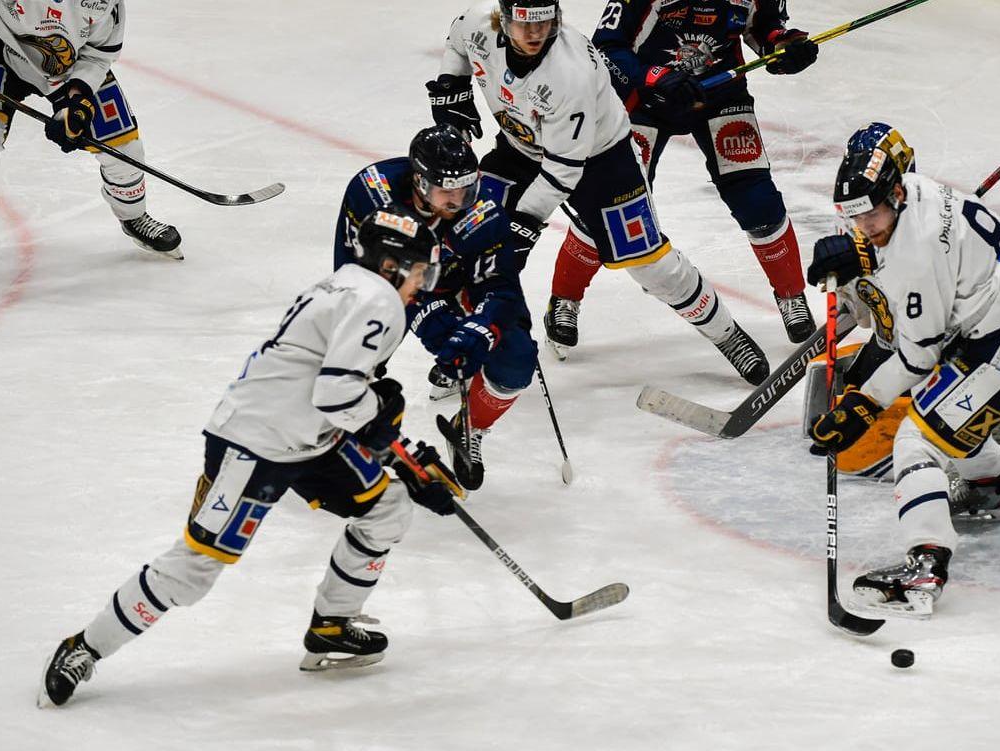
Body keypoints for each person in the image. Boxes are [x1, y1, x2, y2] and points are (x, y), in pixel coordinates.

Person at [38, 208, 460, 708]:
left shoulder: (343, 284)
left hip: (309, 439)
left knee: (386, 507)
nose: (420, 284)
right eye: (418, 272)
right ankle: (84, 647)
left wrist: (406, 459)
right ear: (392, 266)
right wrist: (386, 426)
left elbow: (340, 398)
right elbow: (338, 395)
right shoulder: (378, 300)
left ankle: (331, 626)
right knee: (194, 569)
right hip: (252, 444)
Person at [804, 125, 1000, 619]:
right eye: (853, 217)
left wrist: (862, 404)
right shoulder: (917, 191)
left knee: (916, 438)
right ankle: (985, 489)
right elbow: (900, 248)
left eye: (870, 215)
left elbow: (918, 356)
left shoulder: (915, 252)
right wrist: (865, 253)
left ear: (894, 192)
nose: (863, 225)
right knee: (950, 412)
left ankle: (925, 566)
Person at [428, 0, 770, 384]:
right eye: (524, 23)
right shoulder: (478, 24)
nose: (535, 34)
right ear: (502, 19)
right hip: (519, 149)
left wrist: (521, 226)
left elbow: (563, 170)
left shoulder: (568, 72)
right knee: (469, 241)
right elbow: (458, 39)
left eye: (544, 22)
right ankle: (464, 352)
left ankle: (726, 333)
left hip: (601, 160)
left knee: (650, 263)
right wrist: (451, 86)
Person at [543, 0, 823, 353]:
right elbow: (606, 49)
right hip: (646, 99)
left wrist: (784, 46)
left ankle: (791, 297)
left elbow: (762, 26)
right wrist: (654, 77)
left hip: (720, 95)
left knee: (756, 199)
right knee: (612, 203)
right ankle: (565, 299)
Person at [0, 0, 180, 290]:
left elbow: (98, 55)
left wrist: (77, 103)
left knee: (124, 147)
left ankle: (134, 217)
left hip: (69, 66)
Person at [335, 124, 536, 491]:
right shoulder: (374, 193)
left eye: (465, 187)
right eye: (448, 189)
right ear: (421, 183)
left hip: (455, 277)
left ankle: (469, 426)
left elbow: (499, 284)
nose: (458, 199)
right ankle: (324, 436)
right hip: (388, 283)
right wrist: (431, 317)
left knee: (517, 361)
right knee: (351, 359)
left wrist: (481, 328)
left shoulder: (482, 209)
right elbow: (363, 277)